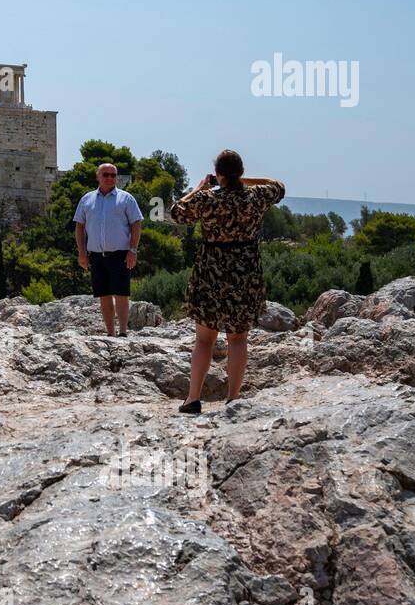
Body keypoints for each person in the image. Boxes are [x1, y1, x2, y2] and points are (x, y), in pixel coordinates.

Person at [169, 150, 285, 414]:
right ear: (241, 173)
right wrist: (243, 181)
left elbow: (177, 213)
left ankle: (193, 399)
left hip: (211, 270)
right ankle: (233, 398)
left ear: (218, 174)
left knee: (204, 340)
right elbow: (278, 185)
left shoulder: (207, 199)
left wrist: (198, 189)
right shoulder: (255, 196)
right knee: (238, 338)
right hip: (245, 271)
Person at [74, 163, 143, 336]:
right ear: (98, 176)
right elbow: (79, 227)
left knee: (121, 293)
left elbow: (136, 224)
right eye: (106, 174)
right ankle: (110, 333)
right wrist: (81, 253)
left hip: (120, 254)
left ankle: (123, 332)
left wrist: (133, 250)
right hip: (96, 255)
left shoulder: (126, 198)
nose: (110, 178)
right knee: (103, 295)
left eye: (113, 175)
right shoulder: (86, 199)